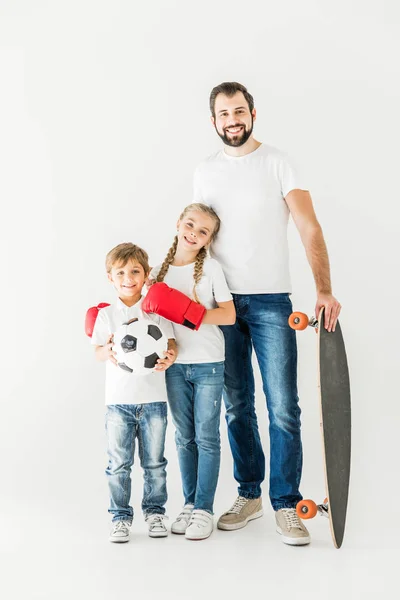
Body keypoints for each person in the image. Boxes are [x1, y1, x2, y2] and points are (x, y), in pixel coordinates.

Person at [193, 82, 341, 546]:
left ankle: (285, 503)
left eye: (239, 111)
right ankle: (250, 494)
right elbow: (197, 236)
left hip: (273, 300)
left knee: (282, 408)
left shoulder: (278, 162)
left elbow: (308, 225)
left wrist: (324, 290)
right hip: (223, 305)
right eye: (223, 113)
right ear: (213, 121)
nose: (232, 119)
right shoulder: (205, 172)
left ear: (253, 114)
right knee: (236, 405)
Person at [143, 203, 236, 540]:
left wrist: (190, 313)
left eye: (203, 231)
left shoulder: (210, 268)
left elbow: (228, 315)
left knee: (207, 437)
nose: (194, 234)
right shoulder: (156, 273)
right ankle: (189, 503)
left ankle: (204, 510)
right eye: (191, 225)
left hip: (209, 360)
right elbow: (149, 323)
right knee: (184, 437)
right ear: (179, 223)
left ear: (209, 239)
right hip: (175, 366)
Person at [88, 242, 177, 543]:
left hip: (153, 400)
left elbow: (171, 344)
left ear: (146, 274)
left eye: (135, 271)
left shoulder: (155, 311)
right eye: (121, 272)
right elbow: (97, 351)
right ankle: (120, 518)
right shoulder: (107, 315)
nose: (128, 277)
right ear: (110, 277)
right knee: (118, 464)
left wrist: (170, 356)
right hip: (118, 403)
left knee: (155, 463)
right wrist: (109, 348)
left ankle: (155, 513)